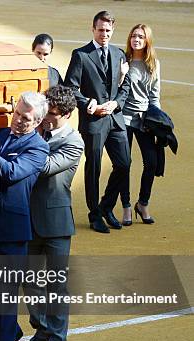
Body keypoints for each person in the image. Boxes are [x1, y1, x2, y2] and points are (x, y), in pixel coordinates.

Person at [0, 92, 49, 341]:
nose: (19, 121)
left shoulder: (38, 148)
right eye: (18, 114)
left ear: (39, 121)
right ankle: (9, 331)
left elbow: (9, 172)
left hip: (12, 230)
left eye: (27, 118)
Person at [18, 85, 84, 341]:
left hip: (56, 224)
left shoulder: (74, 141)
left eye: (53, 115)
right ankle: (42, 328)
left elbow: (42, 166)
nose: (46, 119)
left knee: (57, 286)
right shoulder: (41, 130)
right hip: (28, 220)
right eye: (45, 113)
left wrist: (24, 140)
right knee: (28, 281)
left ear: (67, 114)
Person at [64, 10, 131, 234]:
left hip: (115, 119)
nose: (104, 34)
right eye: (100, 30)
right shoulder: (81, 55)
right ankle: (95, 215)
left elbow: (125, 87)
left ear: (113, 30)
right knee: (93, 167)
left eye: (108, 30)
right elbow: (70, 87)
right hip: (93, 121)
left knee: (124, 164)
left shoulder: (119, 53)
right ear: (93, 29)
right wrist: (87, 103)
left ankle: (106, 206)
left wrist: (115, 104)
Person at [119, 24, 161, 225]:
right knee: (124, 164)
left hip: (144, 121)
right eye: (134, 35)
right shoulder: (123, 59)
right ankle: (126, 206)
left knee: (151, 163)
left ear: (147, 41)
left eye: (141, 37)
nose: (136, 39)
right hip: (124, 119)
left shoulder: (153, 63)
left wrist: (156, 119)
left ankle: (142, 203)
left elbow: (154, 96)